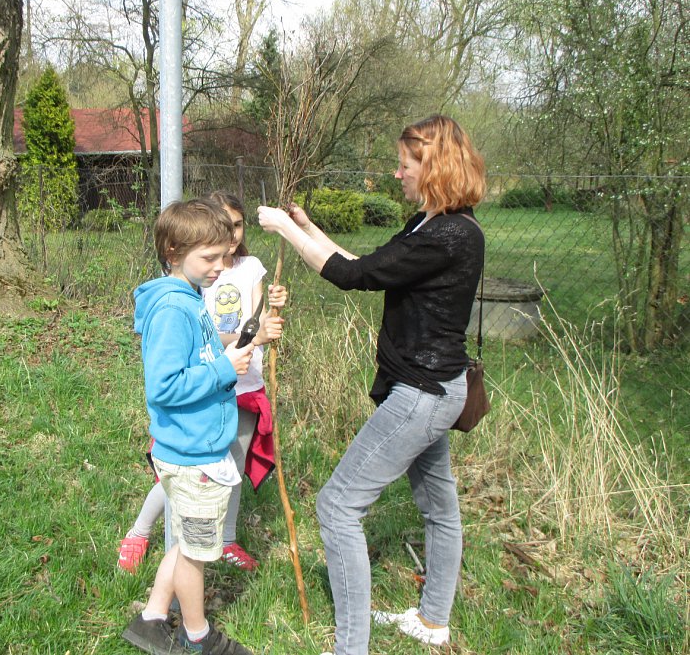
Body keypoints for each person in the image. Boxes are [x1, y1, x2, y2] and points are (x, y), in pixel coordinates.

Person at [258, 115, 486, 653]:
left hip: (423, 395)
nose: (397, 173)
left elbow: (349, 277)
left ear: (433, 167)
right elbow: (367, 265)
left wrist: (285, 230)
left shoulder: (451, 234)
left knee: (337, 507)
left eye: (404, 165)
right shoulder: (429, 224)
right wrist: (309, 228)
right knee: (439, 509)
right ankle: (433, 623)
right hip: (434, 389)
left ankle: (351, 648)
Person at [118, 191, 287, 575]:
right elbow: (176, 373)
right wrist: (233, 358)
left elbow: (252, 321)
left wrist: (265, 321)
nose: (221, 261)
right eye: (211, 254)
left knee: (229, 471)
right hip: (206, 400)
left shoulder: (234, 272)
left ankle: (221, 543)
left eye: (237, 228)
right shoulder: (186, 294)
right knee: (186, 485)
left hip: (236, 388)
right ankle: (144, 536)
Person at [122, 198, 257, 655]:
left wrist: (228, 355)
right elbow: (164, 387)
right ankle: (197, 637)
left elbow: (195, 361)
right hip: (192, 455)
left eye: (225, 254)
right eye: (210, 257)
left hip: (195, 448)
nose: (221, 266)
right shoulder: (173, 310)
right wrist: (224, 369)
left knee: (184, 544)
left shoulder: (190, 296)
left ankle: (152, 618)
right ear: (174, 252)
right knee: (197, 553)